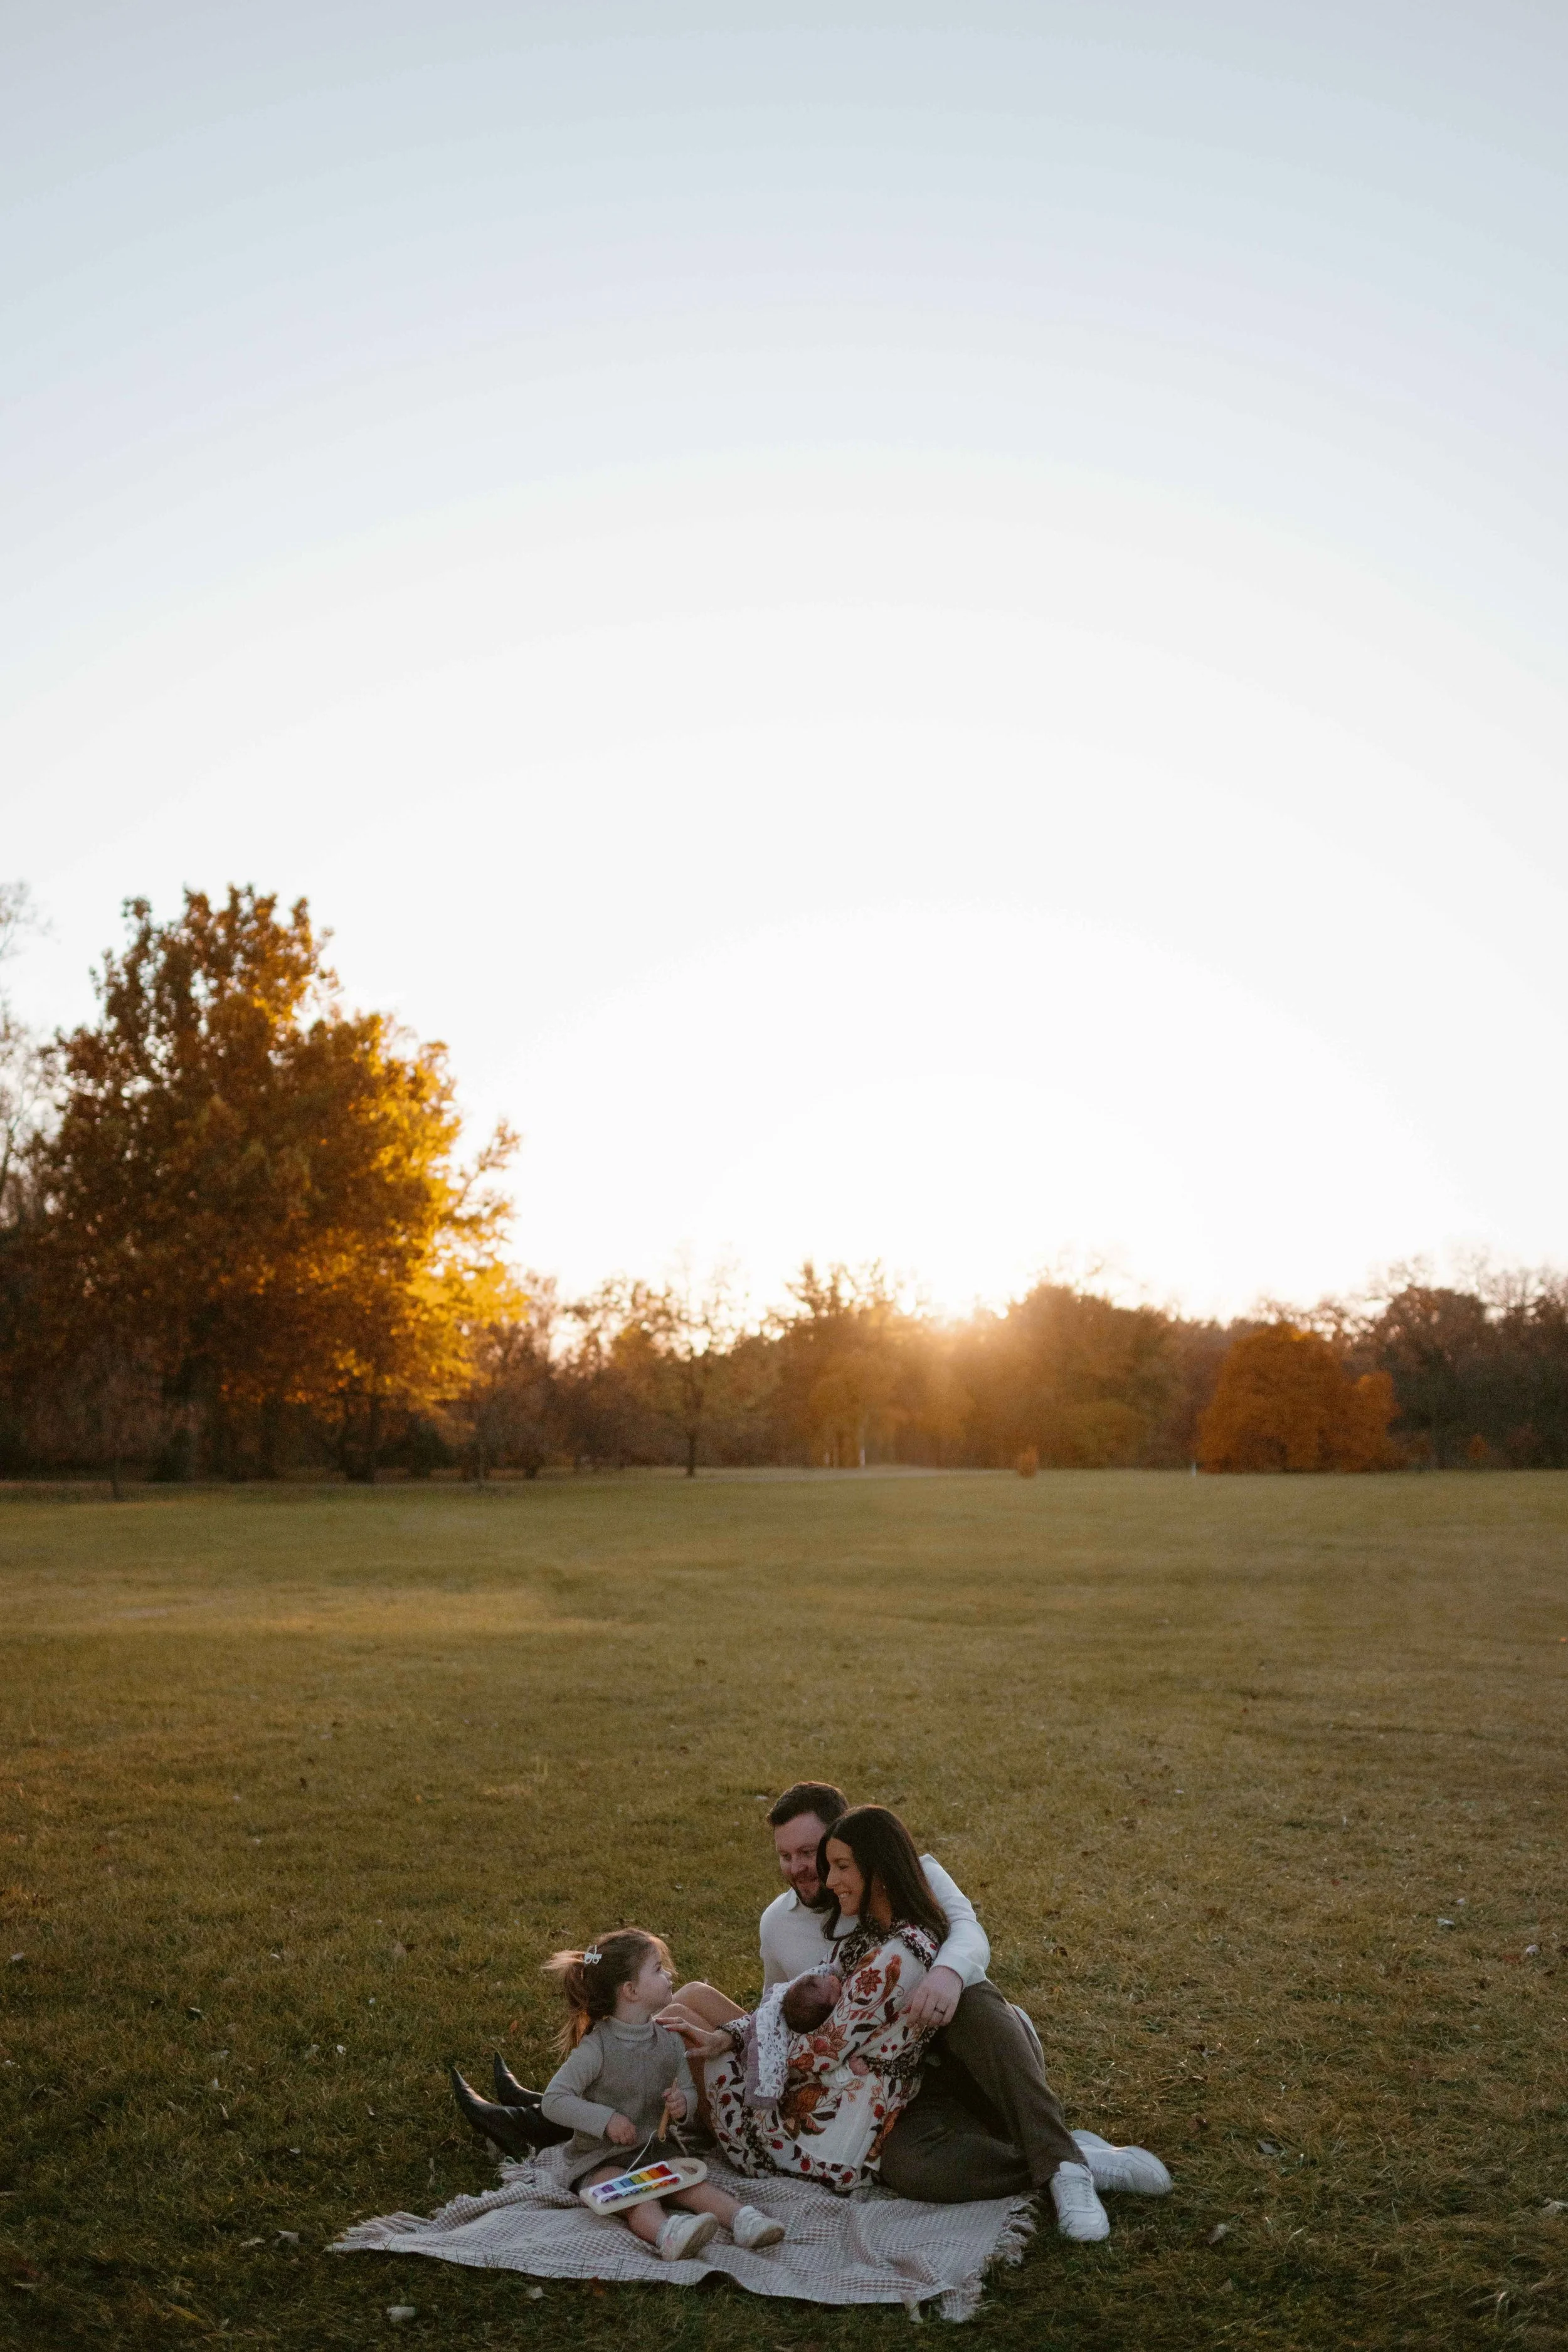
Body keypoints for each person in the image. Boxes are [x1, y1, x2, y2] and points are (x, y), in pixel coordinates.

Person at [663, 1779, 1171, 2241]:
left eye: (814, 1854)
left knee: (968, 1991)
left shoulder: (915, 1879)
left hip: (960, 2051)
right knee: (909, 2170)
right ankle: (1063, 2155)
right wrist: (735, 2039)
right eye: (785, 1856)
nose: (803, 1869)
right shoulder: (780, 1924)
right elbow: (781, 2010)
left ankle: (1058, 2160)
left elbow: (968, 1932)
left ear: (859, 1848)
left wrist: (946, 1973)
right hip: (891, 2094)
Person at [673, 1806, 946, 2192]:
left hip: (822, 2139)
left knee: (677, 2018)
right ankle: (627, 2104)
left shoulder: (899, 1954)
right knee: (690, 2006)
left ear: (878, 1871)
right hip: (823, 2089)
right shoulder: (870, 1933)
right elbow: (789, 2004)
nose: (830, 1880)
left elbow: (819, 2052)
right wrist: (733, 2037)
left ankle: (624, 2125)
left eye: (842, 1867)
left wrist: (744, 2043)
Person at [536, 1927, 786, 2261]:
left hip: (655, 2151)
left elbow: (686, 2089)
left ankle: (745, 2220)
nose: (668, 1974)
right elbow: (554, 2100)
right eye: (657, 1969)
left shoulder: (669, 2040)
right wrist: (606, 2120)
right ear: (631, 1991)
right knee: (637, 2197)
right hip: (600, 2159)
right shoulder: (597, 2048)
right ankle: (668, 2234)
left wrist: (684, 2104)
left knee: (696, 2185)